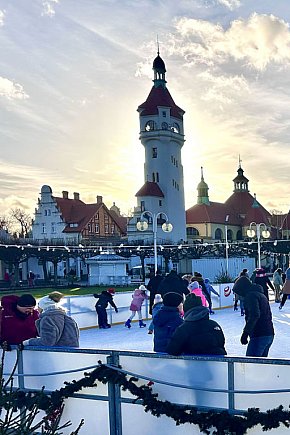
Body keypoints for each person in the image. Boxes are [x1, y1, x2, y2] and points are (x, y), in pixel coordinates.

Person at [233, 276, 274, 357]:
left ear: (242, 289)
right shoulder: (260, 294)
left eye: (237, 292)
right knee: (260, 365)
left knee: (251, 365)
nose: (237, 295)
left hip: (259, 335)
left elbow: (255, 315)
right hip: (268, 333)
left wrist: (245, 333)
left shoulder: (251, 296)